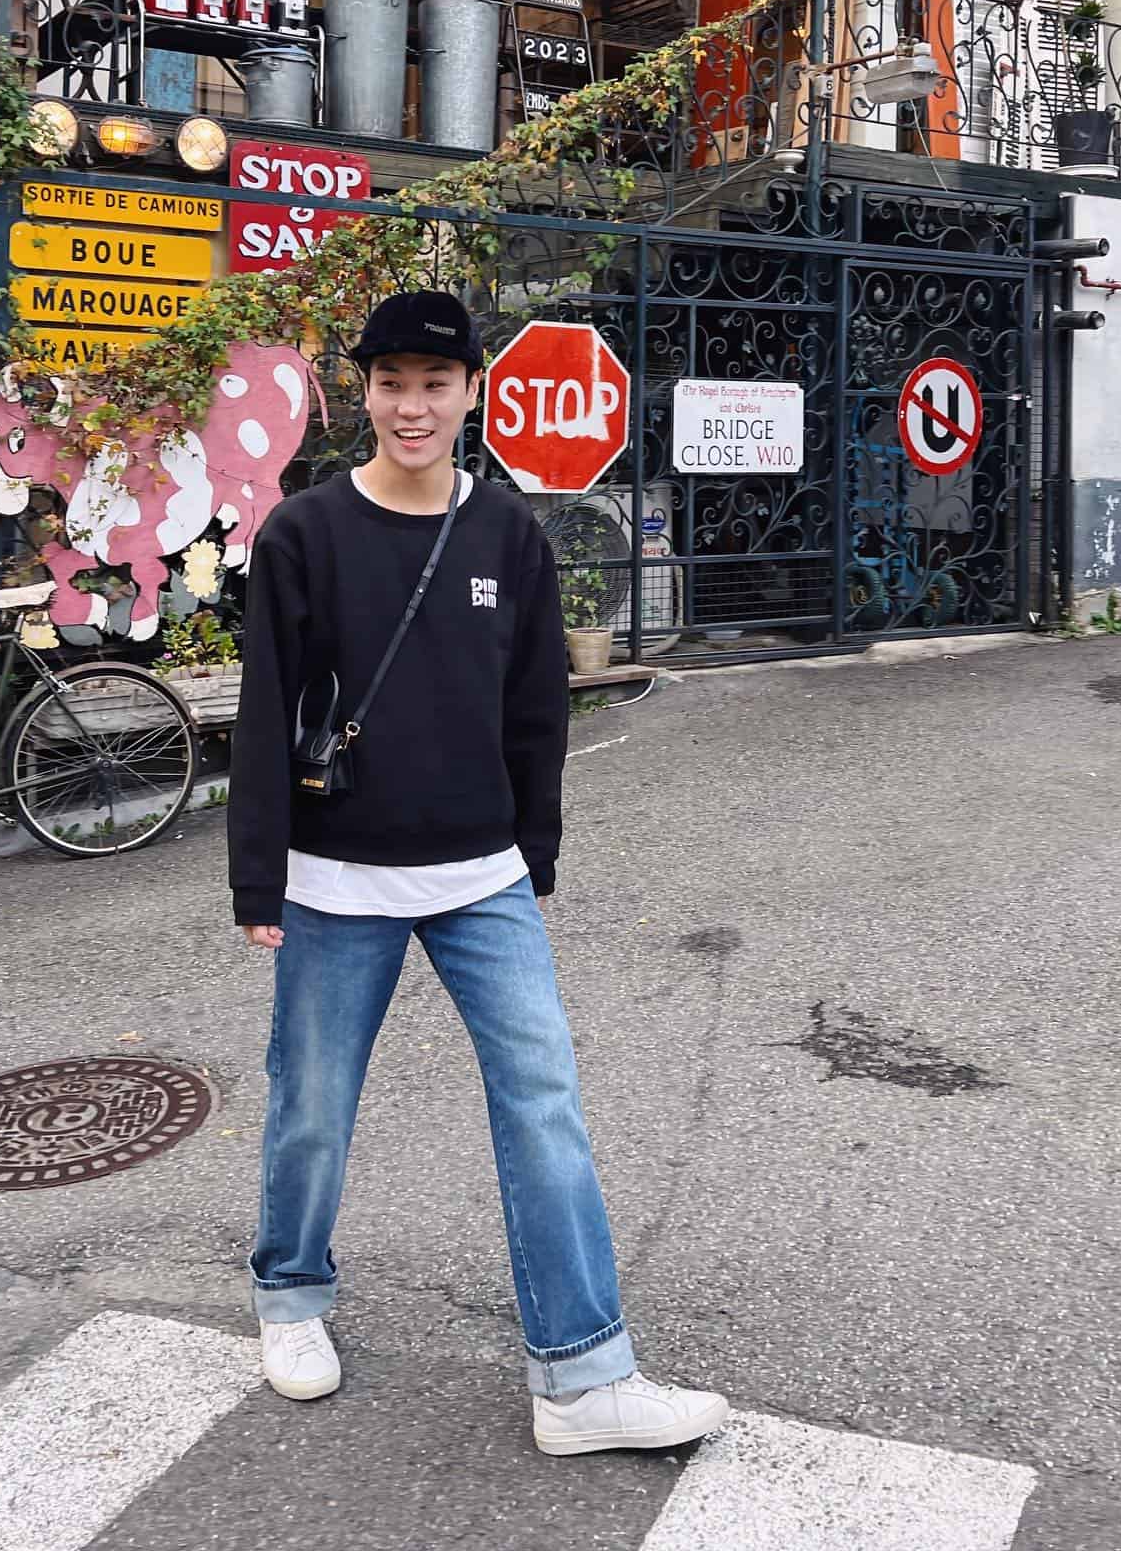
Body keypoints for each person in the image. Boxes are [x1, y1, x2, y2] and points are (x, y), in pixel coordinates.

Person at [228, 291, 729, 1456]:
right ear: (364, 392)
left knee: (543, 1100)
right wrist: (260, 881)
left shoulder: (507, 531)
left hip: (480, 876)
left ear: (470, 396)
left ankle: (582, 1376)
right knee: (312, 1106)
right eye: (391, 382)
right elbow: (264, 715)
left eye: (435, 384)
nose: (413, 405)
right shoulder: (304, 534)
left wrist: (535, 850)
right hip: (333, 875)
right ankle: (292, 1298)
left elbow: (534, 706)